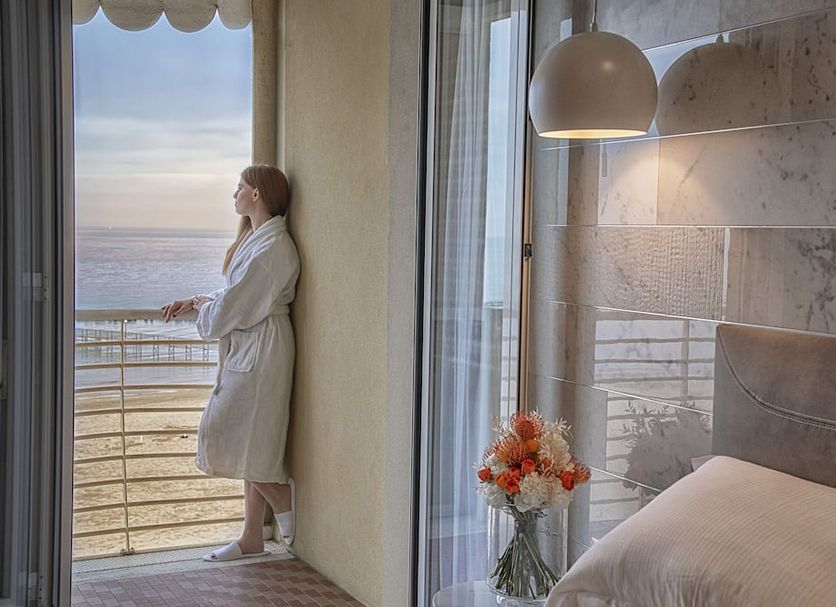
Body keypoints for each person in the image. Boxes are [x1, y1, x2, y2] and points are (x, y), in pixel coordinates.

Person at [161, 164, 300, 562]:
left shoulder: (274, 248)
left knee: (231, 433)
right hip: (252, 345)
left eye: (240, 187)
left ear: (256, 194)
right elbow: (235, 296)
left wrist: (207, 314)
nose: (235, 194)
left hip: (263, 350)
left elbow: (234, 307)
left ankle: (281, 496)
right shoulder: (257, 241)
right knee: (252, 438)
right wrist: (198, 300)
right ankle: (251, 537)